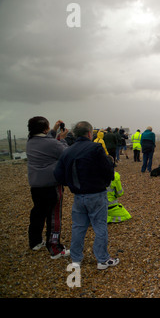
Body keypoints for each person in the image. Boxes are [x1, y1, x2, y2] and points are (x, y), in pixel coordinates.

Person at [53, 121, 119, 270]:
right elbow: (107, 170)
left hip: (78, 195)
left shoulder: (68, 151)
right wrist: (106, 180)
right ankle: (102, 259)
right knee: (100, 226)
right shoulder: (95, 148)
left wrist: (70, 184)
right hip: (96, 193)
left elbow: (58, 174)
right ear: (89, 134)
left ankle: (76, 259)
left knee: (78, 227)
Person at [26, 116, 70, 259]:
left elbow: (45, 140)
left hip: (36, 184)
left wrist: (54, 131)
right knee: (54, 216)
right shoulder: (51, 143)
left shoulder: (30, 141)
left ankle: (35, 242)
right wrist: (62, 138)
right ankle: (54, 248)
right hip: (51, 185)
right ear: (45, 129)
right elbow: (66, 154)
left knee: (38, 213)